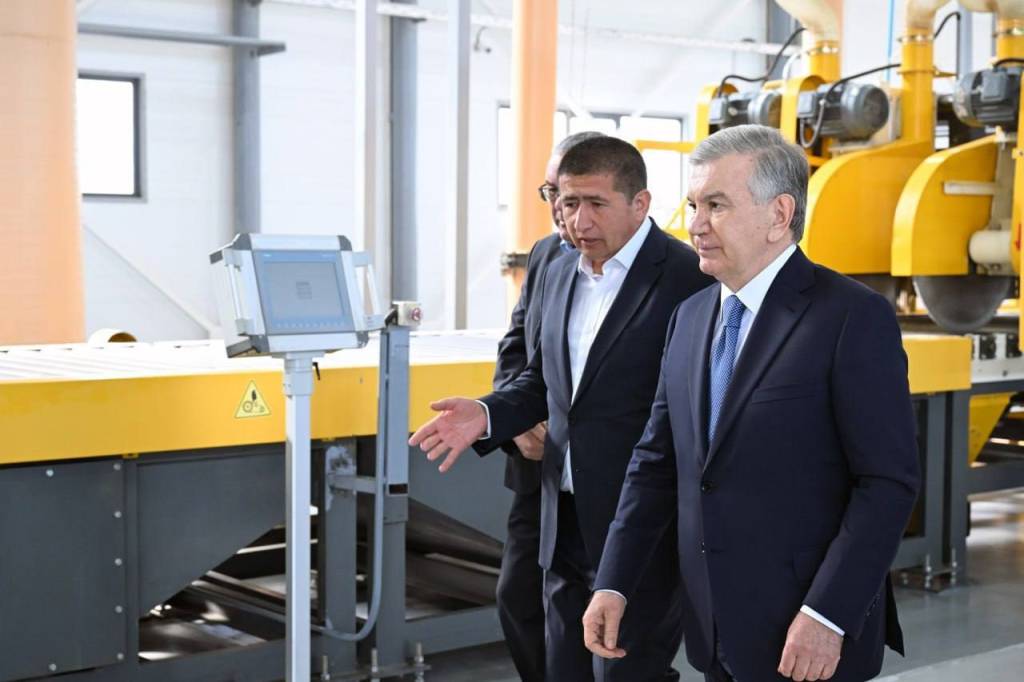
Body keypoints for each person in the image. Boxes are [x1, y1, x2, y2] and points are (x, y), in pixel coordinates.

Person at [583, 124, 920, 682]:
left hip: (807, 636)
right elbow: (655, 463)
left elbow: (886, 483)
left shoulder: (850, 317)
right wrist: (614, 581)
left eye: (716, 205)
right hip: (714, 629)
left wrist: (827, 615)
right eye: (694, 205)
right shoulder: (690, 318)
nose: (695, 224)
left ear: (779, 214)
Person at [410, 136, 712, 681]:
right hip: (560, 509)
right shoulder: (555, 264)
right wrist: (489, 414)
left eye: (596, 203)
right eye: (568, 202)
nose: (578, 220)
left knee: (626, 673)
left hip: (640, 521)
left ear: (640, 204)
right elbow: (542, 376)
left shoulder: (689, 277)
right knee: (561, 667)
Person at [490, 130, 603, 682]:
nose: (561, 207)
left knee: (603, 618)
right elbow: (517, 345)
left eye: (575, 195)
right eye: (552, 193)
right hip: (538, 470)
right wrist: (515, 423)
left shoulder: (658, 267)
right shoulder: (545, 254)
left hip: (600, 474)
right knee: (518, 598)